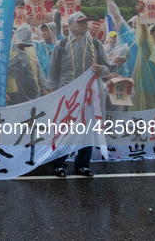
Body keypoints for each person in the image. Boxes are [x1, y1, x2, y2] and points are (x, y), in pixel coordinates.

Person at [46, 12, 110, 178]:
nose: (84, 25)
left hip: (89, 96)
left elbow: (107, 67)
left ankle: (82, 164)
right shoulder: (61, 45)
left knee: (87, 129)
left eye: (85, 22)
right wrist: (53, 93)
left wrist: (101, 69)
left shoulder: (95, 45)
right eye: (80, 22)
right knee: (65, 130)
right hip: (67, 96)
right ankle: (59, 164)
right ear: (71, 25)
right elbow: (52, 74)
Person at [6, 23, 48, 105]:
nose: (23, 46)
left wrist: (44, 88)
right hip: (14, 92)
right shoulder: (8, 51)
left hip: (33, 88)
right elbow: (2, 71)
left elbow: (38, 69)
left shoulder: (31, 49)